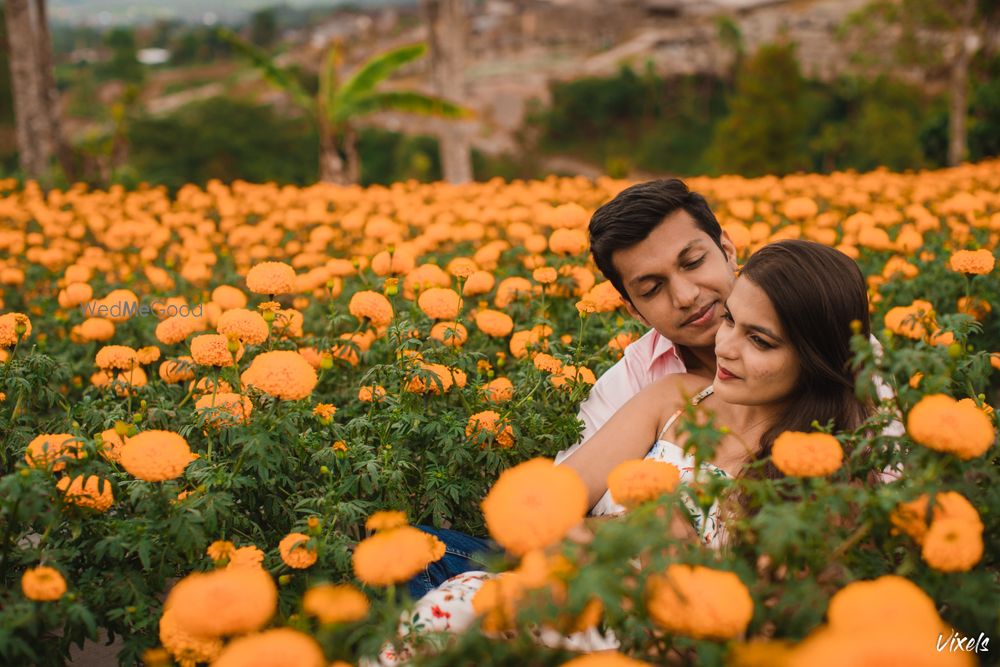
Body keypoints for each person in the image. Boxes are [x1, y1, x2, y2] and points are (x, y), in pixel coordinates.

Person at [377, 239, 875, 664]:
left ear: (816, 359)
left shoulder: (820, 465)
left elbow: (768, 628)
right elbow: (544, 513)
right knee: (433, 580)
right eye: (730, 321)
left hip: (642, 643)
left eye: (760, 341)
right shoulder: (677, 398)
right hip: (557, 592)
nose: (725, 346)